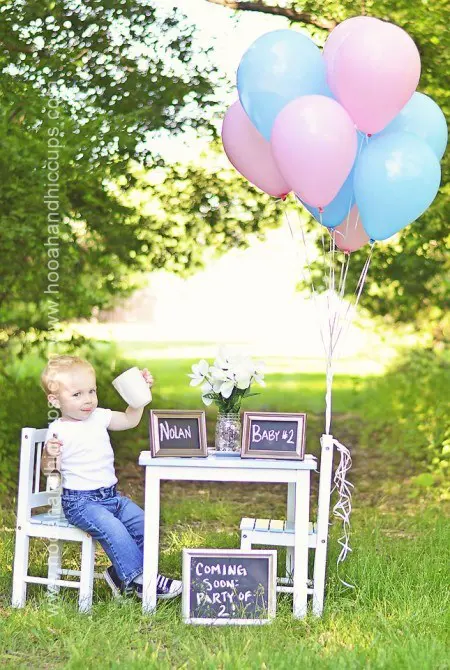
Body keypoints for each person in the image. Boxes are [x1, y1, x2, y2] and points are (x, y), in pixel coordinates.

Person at [40, 355, 182, 601]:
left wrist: (139, 397)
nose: (88, 400)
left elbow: (129, 420)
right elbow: (51, 473)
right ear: (54, 400)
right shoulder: (58, 430)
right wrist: (49, 455)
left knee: (146, 526)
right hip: (81, 503)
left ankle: (121, 574)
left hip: (111, 497)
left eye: (91, 391)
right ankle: (143, 580)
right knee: (116, 530)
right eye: (77, 394)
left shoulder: (99, 416)